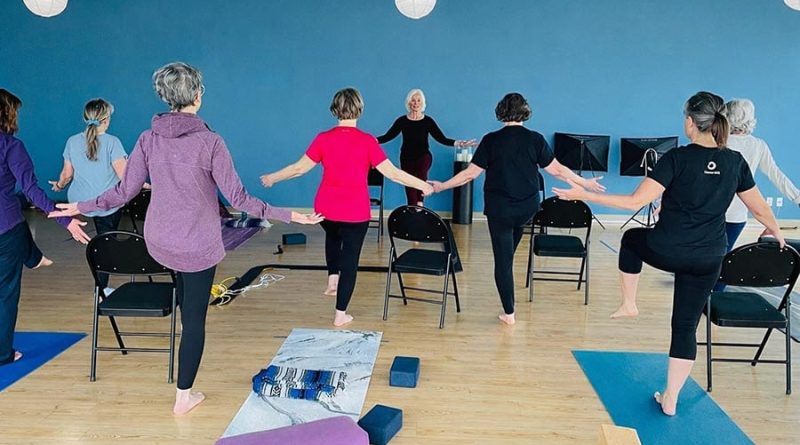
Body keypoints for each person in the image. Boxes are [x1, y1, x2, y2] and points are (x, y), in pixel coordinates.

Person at [49, 62, 322, 415]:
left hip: (157, 244)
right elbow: (239, 200)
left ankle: (181, 326)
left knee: (181, 285)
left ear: (165, 98)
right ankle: (184, 397)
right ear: (197, 96)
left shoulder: (147, 139)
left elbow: (122, 193)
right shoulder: (211, 141)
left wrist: (79, 206)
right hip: (196, 246)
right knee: (193, 321)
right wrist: (289, 214)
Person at [552, 91, 784, 416]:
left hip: (667, 250)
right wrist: (776, 231)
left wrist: (583, 195)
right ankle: (671, 397)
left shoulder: (676, 158)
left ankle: (629, 303)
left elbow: (634, 202)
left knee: (632, 238)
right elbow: (759, 209)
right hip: (708, 259)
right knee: (685, 325)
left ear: (690, 122)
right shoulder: (735, 162)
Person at [261, 87, 433, 327]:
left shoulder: (323, 138)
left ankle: (332, 279)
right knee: (350, 260)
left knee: (333, 236)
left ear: (334, 110)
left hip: (326, 209)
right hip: (355, 211)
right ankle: (340, 314)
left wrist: (272, 177)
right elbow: (393, 174)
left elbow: (299, 168)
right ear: (360, 110)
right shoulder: (367, 142)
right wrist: (423, 185)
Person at [430, 93, 605, 326]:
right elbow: (558, 171)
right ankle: (507, 276)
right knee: (509, 250)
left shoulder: (491, 140)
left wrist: (441, 186)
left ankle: (509, 313)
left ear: (501, 111)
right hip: (527, 209)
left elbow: (470, 174)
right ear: (525, 112)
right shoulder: (535, 139)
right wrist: (585, 183)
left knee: (502, 261)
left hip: (500, 210)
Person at [0, 88, 90, 367]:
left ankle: (33, 256)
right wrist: (65, 219)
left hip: (9, 223)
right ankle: (3, 354)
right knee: (5, 293)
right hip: (6, 231)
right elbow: (31, 190)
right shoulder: (12, 147)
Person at [49, 98, 128, 295]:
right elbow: (126, 178)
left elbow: (66, 175)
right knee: (106, 239)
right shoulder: (113, 142)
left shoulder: (72, 141)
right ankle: (101, 289)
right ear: (107, 119)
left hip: (78, 201)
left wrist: (58, 186)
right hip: (104, 204)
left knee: (99, 236)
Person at [721, 98, 800, 251]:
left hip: (710, 213)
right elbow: (776, 175)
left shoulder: (718, 142)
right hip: (737, 216)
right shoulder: (758, 145)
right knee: (722, 256)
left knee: (708, 258)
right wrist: (797, 197)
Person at [376, 89, 476, 206]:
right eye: (413, 100)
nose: (416, 103)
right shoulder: (402, 121)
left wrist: (460, 143)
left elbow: (441, 138)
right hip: (406, 158)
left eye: (418, 101)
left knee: (421, 176)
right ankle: (413, 209)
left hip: (423, 156)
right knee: (409, 186)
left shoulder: (428, 121)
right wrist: (373, 140)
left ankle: (420, 203)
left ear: (422, 103)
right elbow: (388, 136)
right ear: (408, 103)